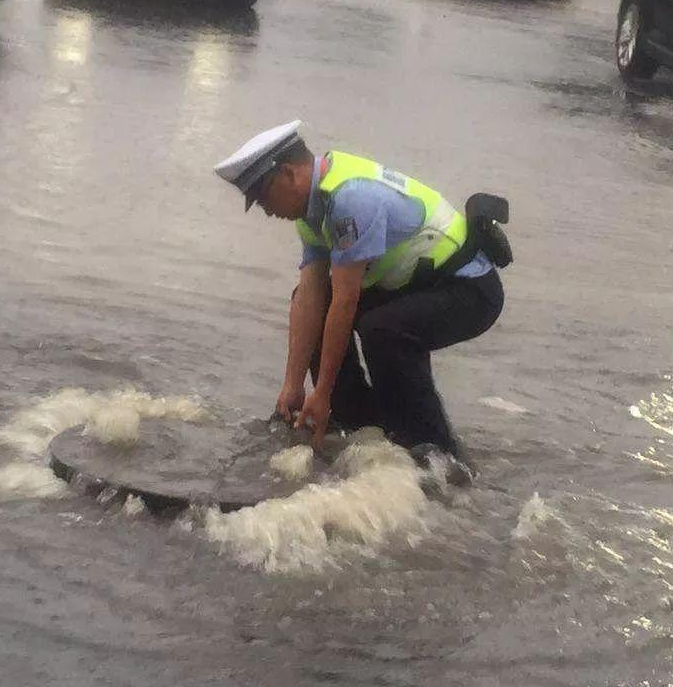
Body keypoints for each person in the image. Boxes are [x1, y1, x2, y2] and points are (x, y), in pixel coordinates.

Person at [214, 121, 505, 459]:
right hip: (417, 285)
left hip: (469, 288)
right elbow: (310, 297)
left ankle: (437, 454)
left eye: (263, 198)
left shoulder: (350, 200)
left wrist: (320, 392)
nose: (265, 210)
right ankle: (361, 428)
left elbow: (345, 299)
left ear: (290, 174)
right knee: (330, 313)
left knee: (384, 329)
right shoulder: (311, 210)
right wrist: (292, 386)